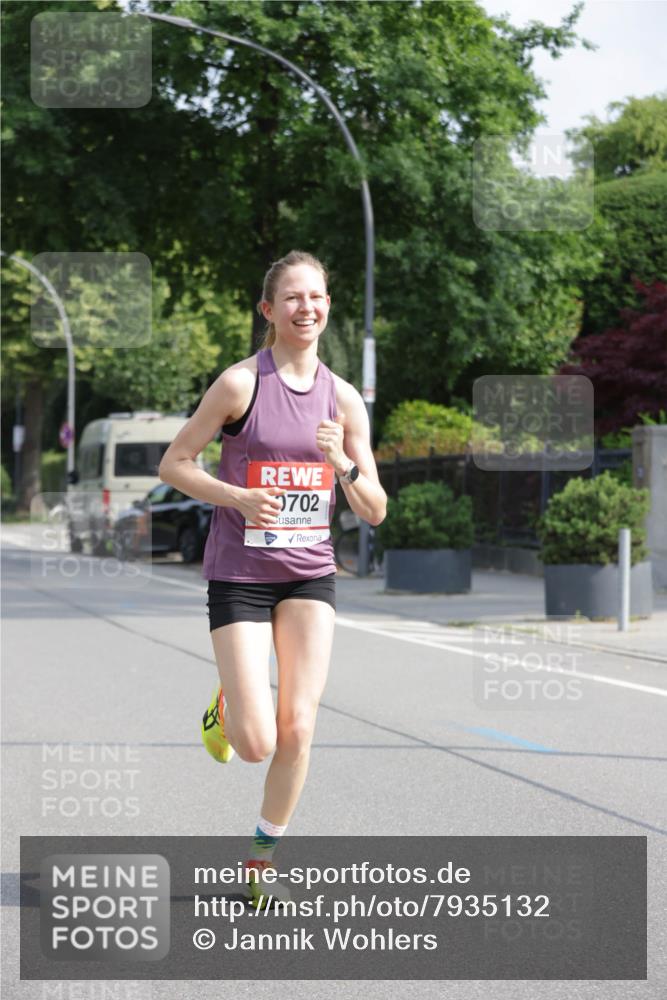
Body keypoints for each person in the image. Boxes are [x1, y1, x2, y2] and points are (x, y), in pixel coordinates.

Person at [158, 249, 387, 907]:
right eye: (291, 298)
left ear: (327, 306)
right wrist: (234, 497)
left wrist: (342, 460)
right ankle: (229, 702)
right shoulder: (239, 385)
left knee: (299, 729)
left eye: (315, 296)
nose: (305, 308)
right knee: (255, 744)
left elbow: (373, 508)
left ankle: (258, 865)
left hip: (309, 575)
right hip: (240, 573)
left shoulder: (342, 399)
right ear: (268, 310)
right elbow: (176, 464)